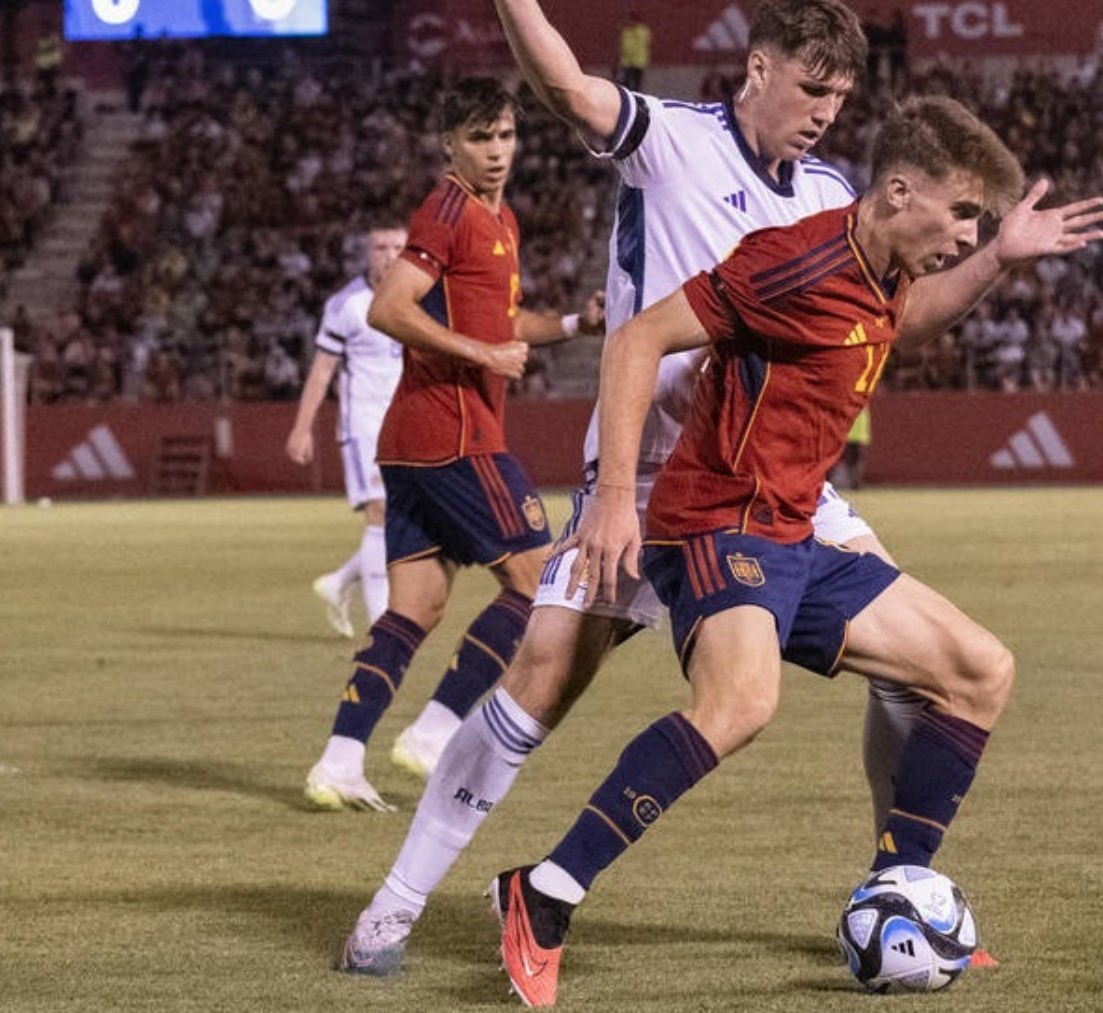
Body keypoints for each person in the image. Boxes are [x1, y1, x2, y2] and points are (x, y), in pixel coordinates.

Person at [489, 95, 1103, 1006]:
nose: (967, 232)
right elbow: (636, 340)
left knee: (979, 670)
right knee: (741, 703)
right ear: (900, 191)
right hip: (715, 524)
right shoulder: (793, 261)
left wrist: (997, 259)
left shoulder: (886, 267)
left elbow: (910, 320)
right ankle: (543, 895)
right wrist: (616, 499)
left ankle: (896, 894)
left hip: (793, 530)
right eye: (963, 214)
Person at [336, 0, 892, 974]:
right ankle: (393, 905)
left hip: (768, 486)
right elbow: (564, 88)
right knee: (542, 675)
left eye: (841, 95)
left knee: (928, 661)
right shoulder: (671, 140)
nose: (825, 112)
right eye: (812, 88)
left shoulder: (836, 194)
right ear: (758, 70)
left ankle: (900, 884)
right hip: (640, 477)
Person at [302, 78, 598, 813]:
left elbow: (505, 321)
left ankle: (339, 760)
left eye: (504, 136)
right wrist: (478, 353)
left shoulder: (501, 218)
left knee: (415, 610)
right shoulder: (446, 208)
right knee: (536, 583)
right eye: (479, 139)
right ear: (449, 145)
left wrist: (570, 324)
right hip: (453, 435)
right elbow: (386, 307)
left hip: (411, 442)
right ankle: (435, 731)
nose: (496, 152)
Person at [286, 225, 408, 638]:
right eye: (380, 247)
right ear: (367, 253)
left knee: (408, 523)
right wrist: (302, 429)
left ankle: (339, 582)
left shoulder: (419, 296)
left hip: (408, 424)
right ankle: (382, 627)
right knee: (380, 512)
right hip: (364, 425)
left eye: (397, 247)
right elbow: (322, 370)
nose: (389, 255)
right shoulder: (347, 304)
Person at [616, 13, 650, 92]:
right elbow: (622, 46)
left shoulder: (643, 32)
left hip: (639, 62)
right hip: (627, 62)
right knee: (626, 84)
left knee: (637, 84)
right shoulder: (626, 32)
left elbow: (645, 45)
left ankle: (636, 101)